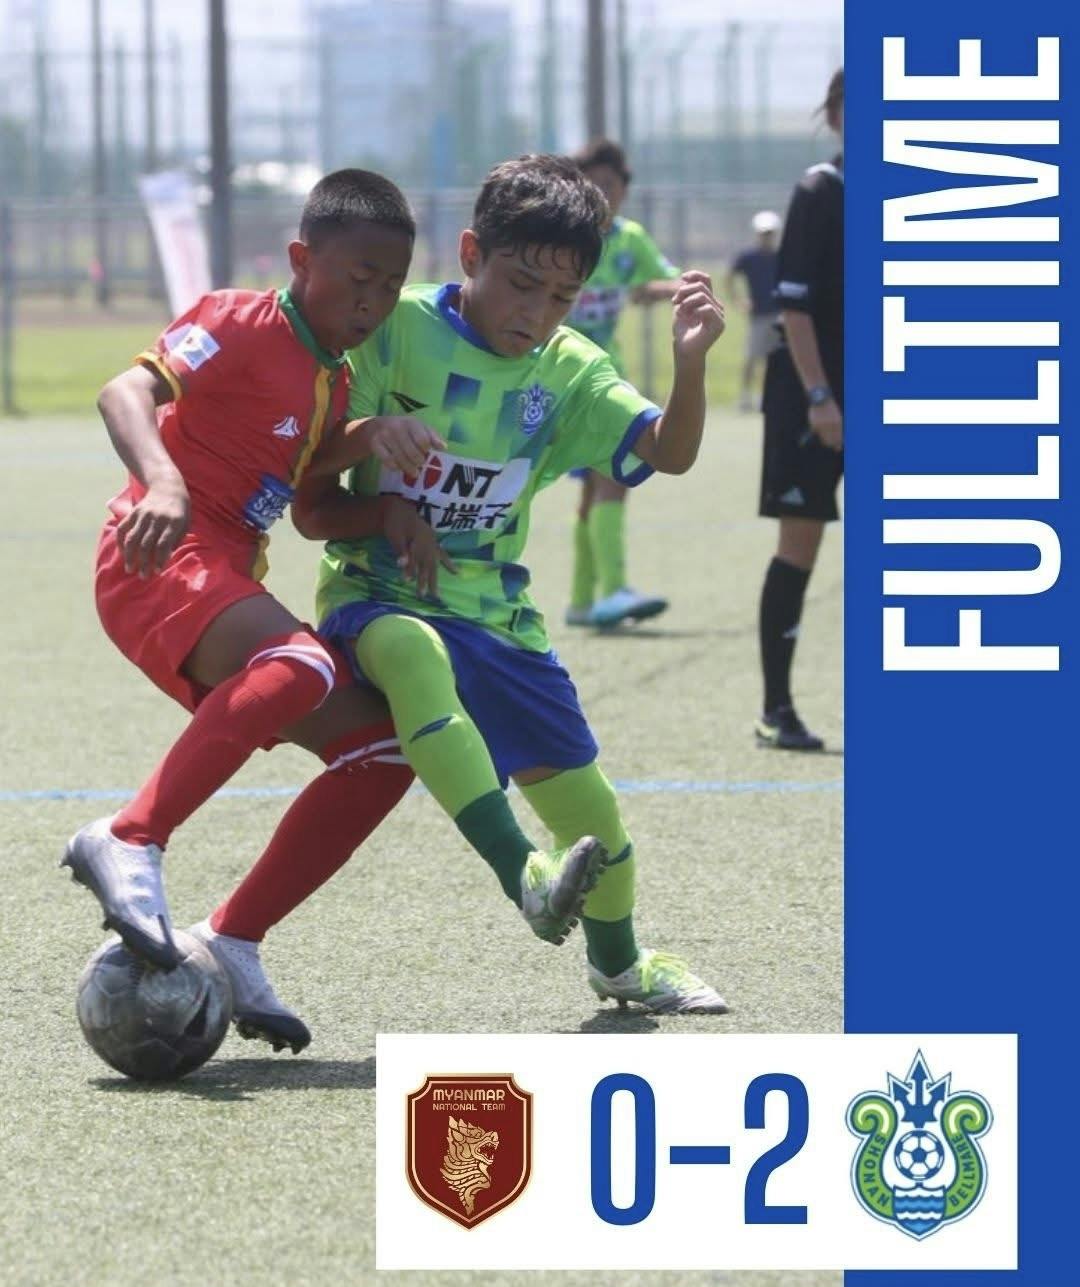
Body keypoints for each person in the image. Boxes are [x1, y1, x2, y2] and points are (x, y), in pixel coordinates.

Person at [231, 154, 728, 1018]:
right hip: (375, 597)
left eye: (561, 297)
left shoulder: (569, 370)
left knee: (598, 825)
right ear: (471, 254)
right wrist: (379, 481)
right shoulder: (394, 331)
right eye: (520, 285)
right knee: (412, 651)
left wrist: (690, 365)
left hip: (496, 615)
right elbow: (312, 503)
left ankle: (621, 965)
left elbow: (669, 452)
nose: (535, 313)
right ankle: (523, 874)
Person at [61, 170, 452, 1048]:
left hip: (218, 574)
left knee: (384, 749)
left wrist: (386, 501)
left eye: (391, 285)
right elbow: (124, 393)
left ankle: (234, 937)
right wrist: (163, 480)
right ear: (302, 259)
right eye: (358, 278)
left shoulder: (337, 383)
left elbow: (310, 511)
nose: (373, 302)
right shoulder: (238, 319)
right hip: (154, 557)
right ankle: (130, 836)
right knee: (300, 662)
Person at [755, 69, 844, 751]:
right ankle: (777, 708)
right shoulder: (820, 191)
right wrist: (820, 397)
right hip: (810, 399)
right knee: (800, 545)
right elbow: (795, 306)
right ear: (836, 115)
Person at [562, 139, 682, 629]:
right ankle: (611, 591)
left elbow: (662, 279)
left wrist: (671, 288)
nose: (601, 194)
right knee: (613, 475)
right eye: (591, 185)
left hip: (604, 373)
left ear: (625, 190)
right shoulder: (564, 237)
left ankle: (582, 600)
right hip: (560, 374)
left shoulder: (630, 240)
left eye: (609, 185)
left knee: (597, 486)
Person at [726, 210, 781, 412]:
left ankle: (767, 396)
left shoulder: (781, 256)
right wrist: (738, 301)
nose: (767, 237)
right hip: (758, 315)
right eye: (764, 233)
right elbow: (730, 277)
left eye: (770, 233)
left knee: (774, 360)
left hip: (778, 316)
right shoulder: (749, 257)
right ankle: (745, 396)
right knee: (751, 357)